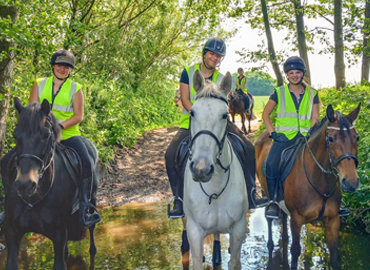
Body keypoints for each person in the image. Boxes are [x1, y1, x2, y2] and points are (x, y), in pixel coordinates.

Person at [165, 37, 268, 218]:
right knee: (170, 154)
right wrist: (199, 116)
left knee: (248, 147)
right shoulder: (188, 72)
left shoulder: (221, 79)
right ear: (205, 53)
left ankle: (252, 193)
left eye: (219, 56)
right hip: (191, 123)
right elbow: (185, 100)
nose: (215, 58)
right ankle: (178, 200)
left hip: (219, 124)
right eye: (212, 54)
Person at [0, 49, 101, 229]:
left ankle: (85, 205)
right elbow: (32, 110)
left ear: (70, 70)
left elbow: (78, 116)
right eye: (60, 65)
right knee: (6, 161)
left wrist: (59, 126)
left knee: (86, 161)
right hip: (40, 136)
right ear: (53, 66)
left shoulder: (75, 88)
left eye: (67, 66)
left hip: (68, 134)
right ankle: (8, 204)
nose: (62, 69)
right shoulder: (39, 83)